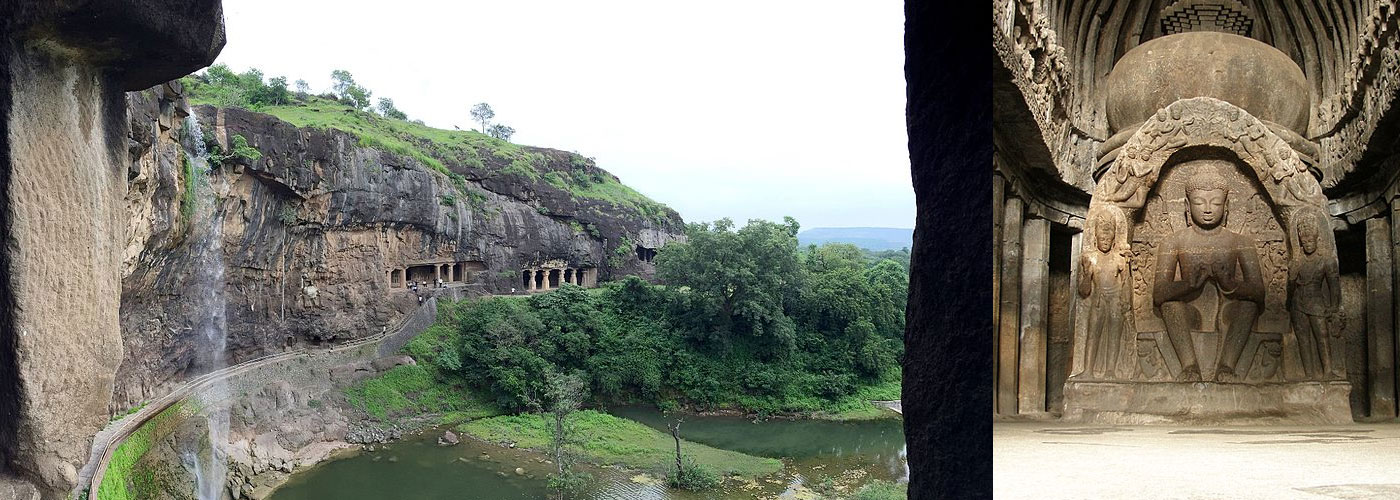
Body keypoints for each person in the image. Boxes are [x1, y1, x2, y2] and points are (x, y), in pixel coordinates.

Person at [1152, 163, 1264, 382]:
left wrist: (1230, 283)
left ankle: (1227, 366)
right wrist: (1188, 284)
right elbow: (1159, 293)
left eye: (1215, 202)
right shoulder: (1174, 241)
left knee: (1249, 306)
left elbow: (1259, 292)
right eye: (1199, 202)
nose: (1207, 208)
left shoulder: (1241, 242)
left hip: (1228, 310)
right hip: (1190, 311)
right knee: (1170, 306)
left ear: (1227, 205)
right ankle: (1190, 366)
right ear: (1186, 204)